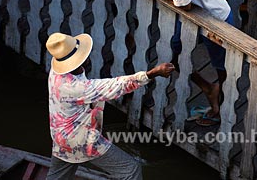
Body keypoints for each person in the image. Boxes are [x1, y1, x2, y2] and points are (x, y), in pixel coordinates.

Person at [46, 32, 175, 180]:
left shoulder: (56, 72)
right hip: (81, 140)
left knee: (56, 177)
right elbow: (116, 85)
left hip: (60, 135)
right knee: (131, 170)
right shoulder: (77, 87)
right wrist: (152, 73)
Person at [136, 0, 233, 127]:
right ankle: (207, 87)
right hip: (191, 18)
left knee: (220, 65)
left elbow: (186, 6)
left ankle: (220, 105)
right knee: (174, 54)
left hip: (216, 18)